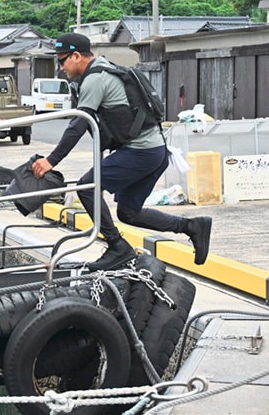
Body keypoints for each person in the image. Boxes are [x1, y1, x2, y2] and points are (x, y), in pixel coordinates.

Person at [31, 32, 212, 271]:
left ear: (76, 56)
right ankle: (191, 226)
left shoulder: (95, 79)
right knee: (128, 213)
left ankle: (117, 247)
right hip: (154, 151)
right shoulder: (106, 69)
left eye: (61, 60)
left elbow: (79, 123)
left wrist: (51, 161)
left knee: (87, 188)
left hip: (142, 152)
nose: (60, 67)